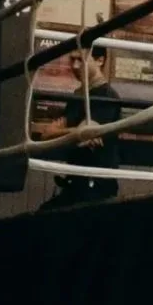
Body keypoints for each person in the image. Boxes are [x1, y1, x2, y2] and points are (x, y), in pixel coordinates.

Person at [38, 46, 124, 210]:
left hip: (95, 188)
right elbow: (46, 136)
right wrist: (75, 133)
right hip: (75, 184)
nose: (75, 66)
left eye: (81, 59)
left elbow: (87, 134)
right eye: (72, 59)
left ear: (100, 60)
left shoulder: (106, 96)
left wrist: (62, 133)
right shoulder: (77, 96)